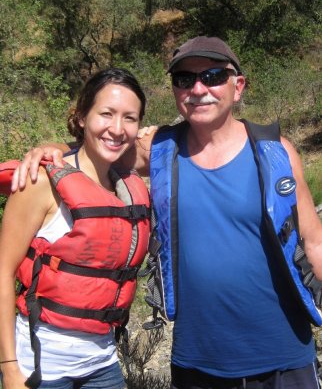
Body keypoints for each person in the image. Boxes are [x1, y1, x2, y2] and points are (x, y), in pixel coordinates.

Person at [10, 36, 322, 389]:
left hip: (284, 357)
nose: (199, 88)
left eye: (215, 75)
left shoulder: (275, 152)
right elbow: (97, 147)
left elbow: (314, 243)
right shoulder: (159, 150)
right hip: (197, 363)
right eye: (185, 79)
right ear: (175, 90)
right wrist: (48, 148)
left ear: (238, 87)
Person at [0, 68, 151, 389]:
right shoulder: (40, 182)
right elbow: (2, 273)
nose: (117, 128)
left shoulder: (127, 183)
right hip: (39, 366)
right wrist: (10, 368)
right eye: (106, 114)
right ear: (82, 116)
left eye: (129, 118)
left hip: (102, 362)